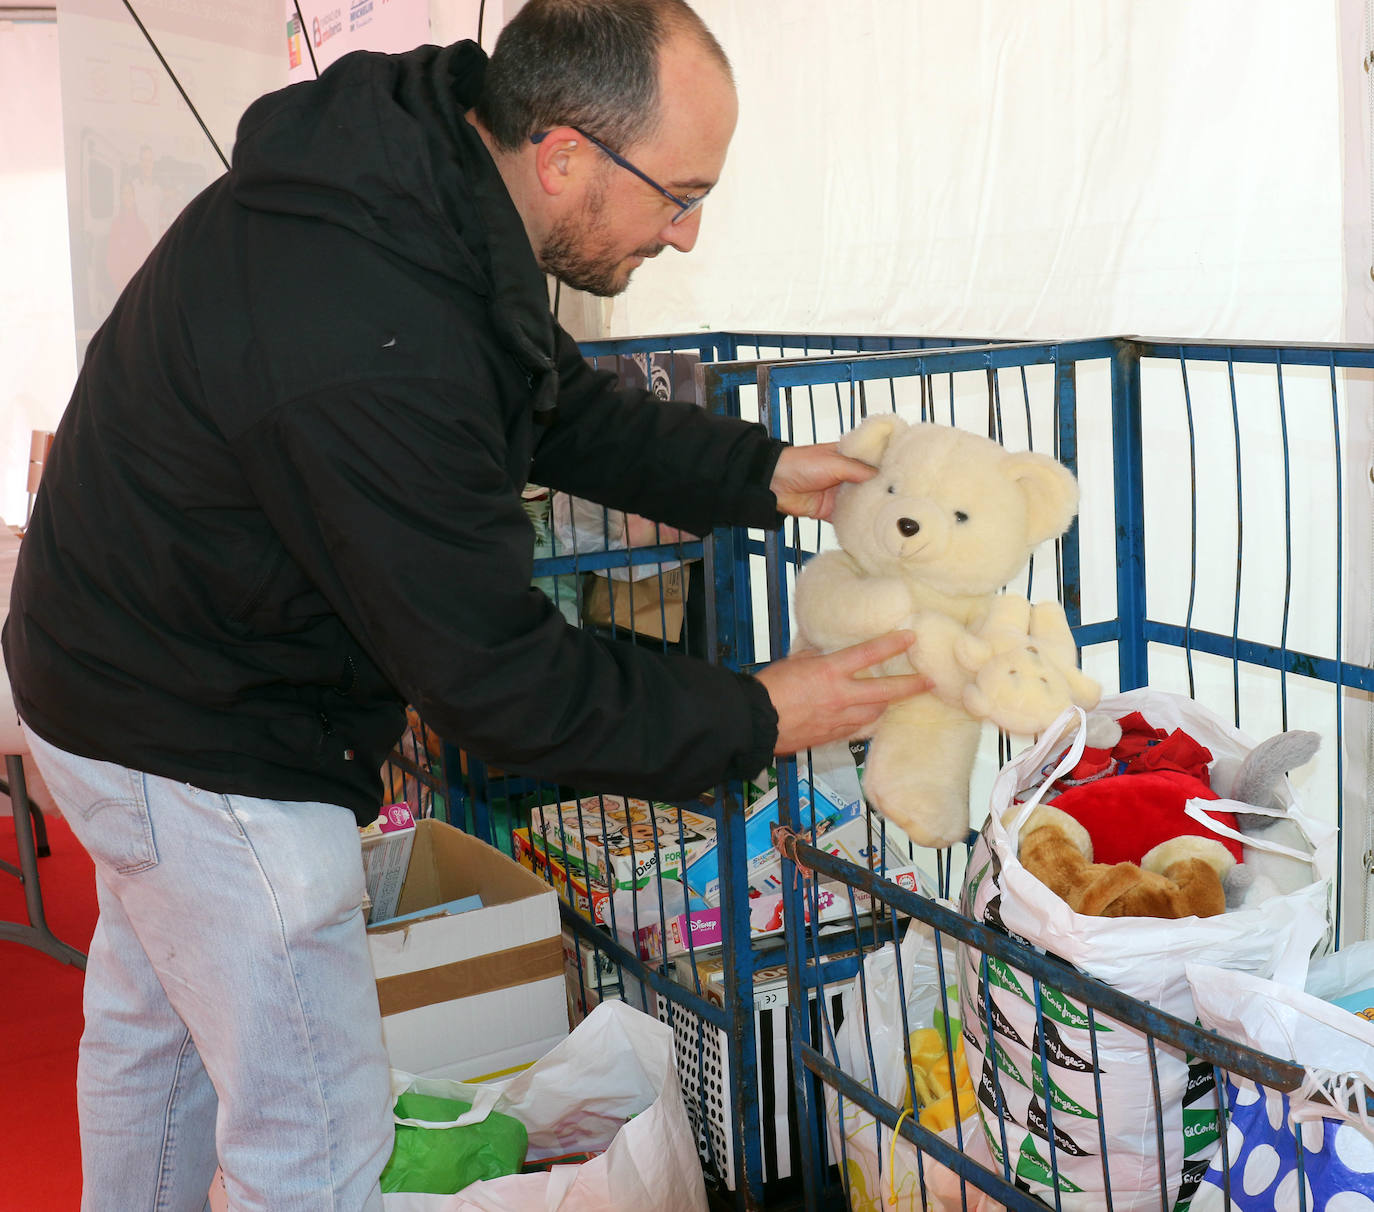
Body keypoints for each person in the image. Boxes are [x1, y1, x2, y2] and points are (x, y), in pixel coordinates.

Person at [4, 1, 928, 1208]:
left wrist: (760, 472)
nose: (688, 234)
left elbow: (554, 401)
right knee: (314, 1146)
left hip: (117, 666)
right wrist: (762, 712)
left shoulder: (428, 188)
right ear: (565, 156)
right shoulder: (370, 326)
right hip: (196, 736)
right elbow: (502, 679)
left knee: (159, 1040)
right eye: (679, 196)